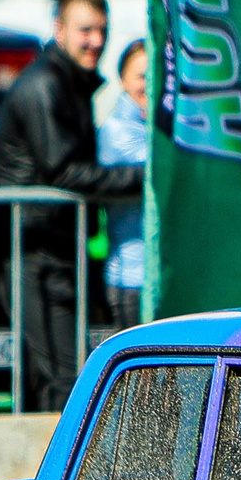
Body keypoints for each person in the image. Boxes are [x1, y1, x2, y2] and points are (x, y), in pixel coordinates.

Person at [0, 0, 142, 410]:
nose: (96, 41)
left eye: (101, 30)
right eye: (85, 30)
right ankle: (56, 477)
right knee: (60, 375)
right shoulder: (45, 85)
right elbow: (63, 170)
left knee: (62, 373)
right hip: (30, 248)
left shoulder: (71, 81)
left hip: (55, 246)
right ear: (59, 28)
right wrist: (144, 178)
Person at [99, 40, 150, 329]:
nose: (150, 84)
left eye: (157, 75)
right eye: (142, 76)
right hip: (131, 278)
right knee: (144, 374)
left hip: (152, 275)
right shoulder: (116, 129)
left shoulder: (148, 125)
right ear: (122, 80)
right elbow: (159, 167)